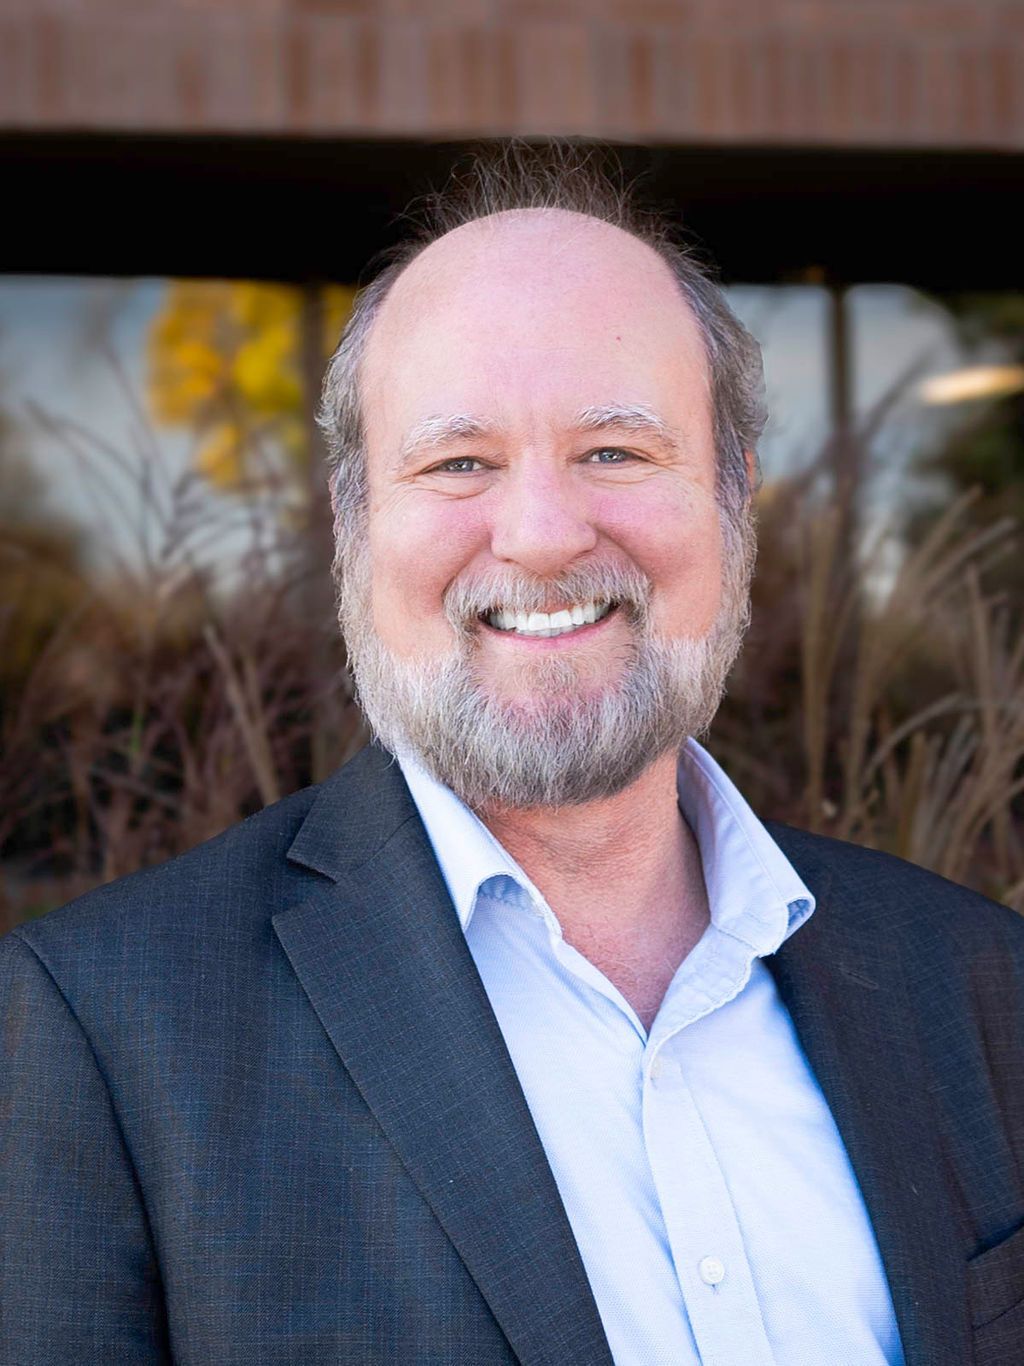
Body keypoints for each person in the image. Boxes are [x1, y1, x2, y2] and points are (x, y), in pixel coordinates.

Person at [2, 145, 1023, 1366]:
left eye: (615, 451)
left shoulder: (980, 984)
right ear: (354, 522)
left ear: (734, 497)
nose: (540, 535)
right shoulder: (107, 1034)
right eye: (458, 463)